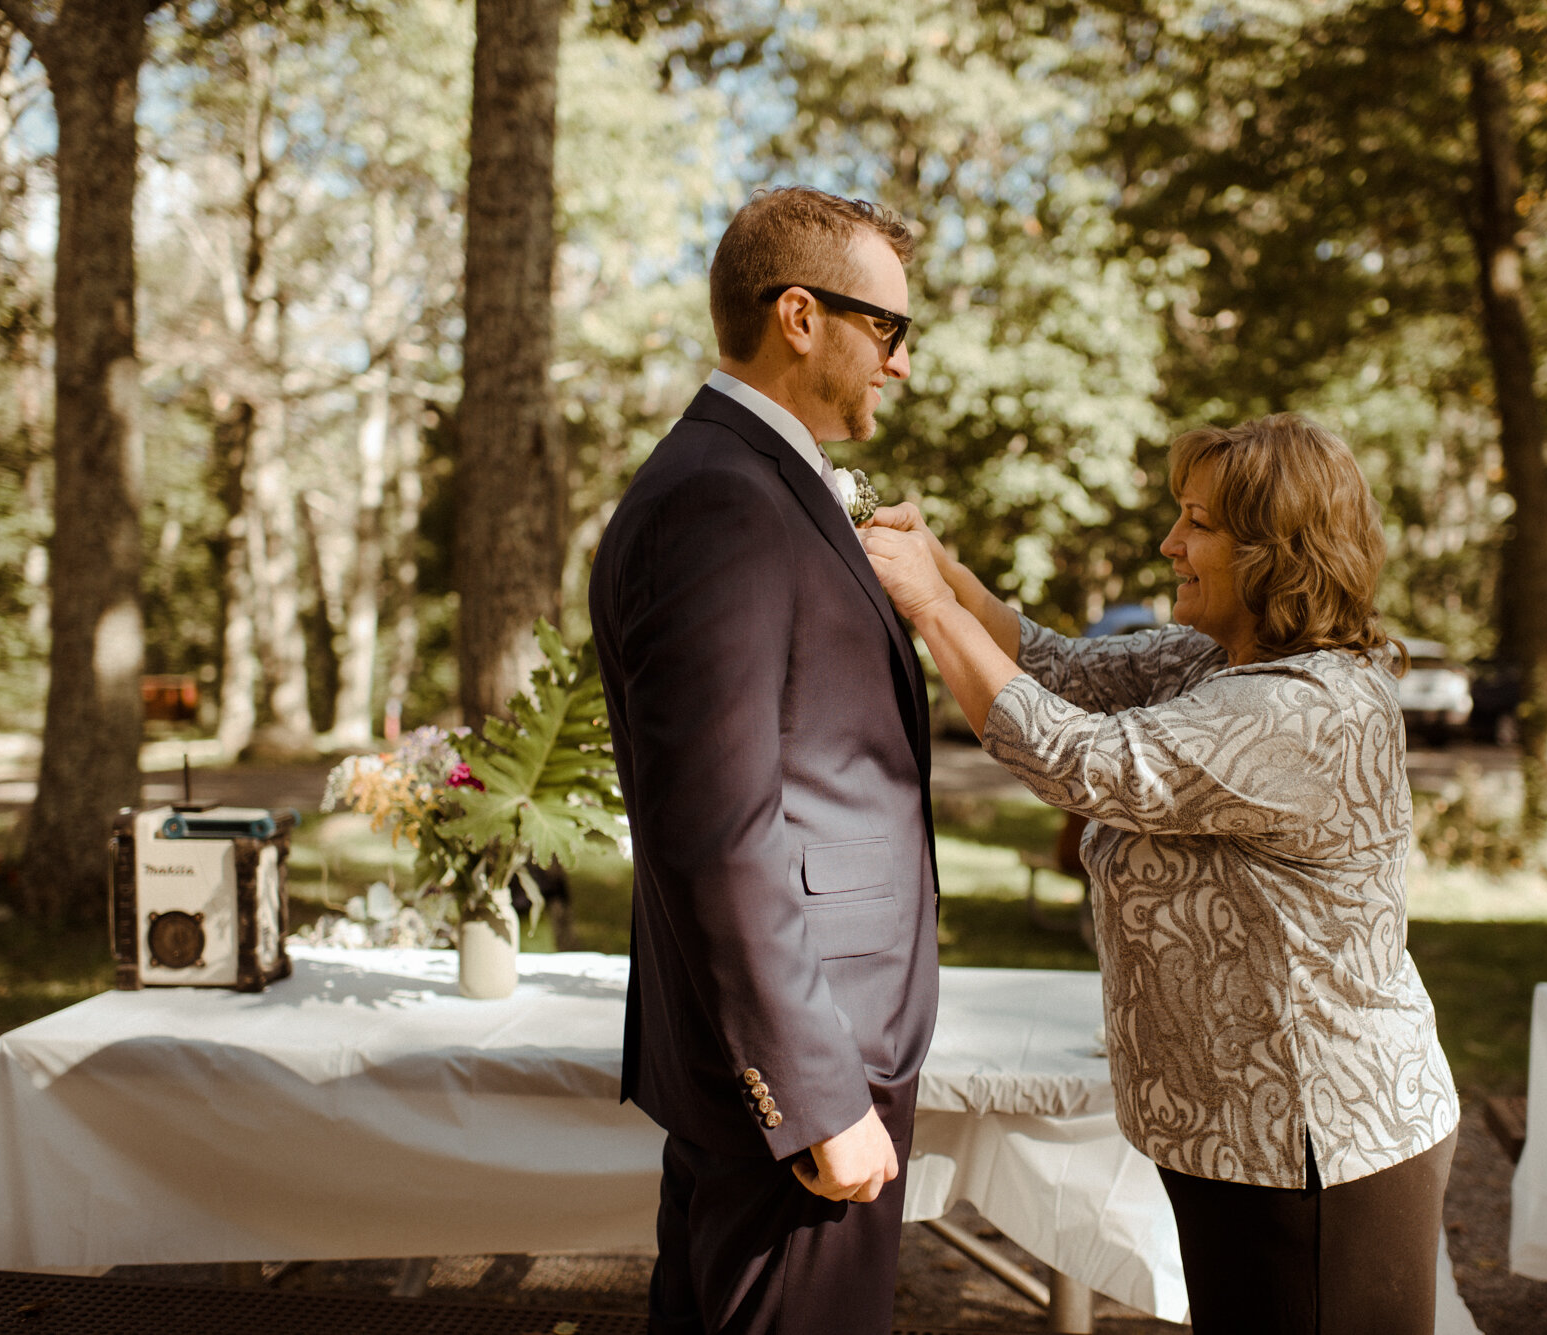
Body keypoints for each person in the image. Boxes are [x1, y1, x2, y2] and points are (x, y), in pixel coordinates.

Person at [860, 412, 1459, 1333]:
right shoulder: (1219, 657)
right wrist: (942, 567)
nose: (1171, 543)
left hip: (1318, 1145)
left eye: (1199, 523)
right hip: (1235, 1135)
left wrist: (929, 609)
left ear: (1275, 550)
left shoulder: (1307, 710)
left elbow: (1080, 759)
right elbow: (1055, 667)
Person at [587, 186, 938, 1335]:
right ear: (799, 315)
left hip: (804, 1051)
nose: (897, 364)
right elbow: (717, 833)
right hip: (799, 1075)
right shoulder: (721, 502)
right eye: (886, 329)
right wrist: (813, 1097)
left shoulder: (749, 483)